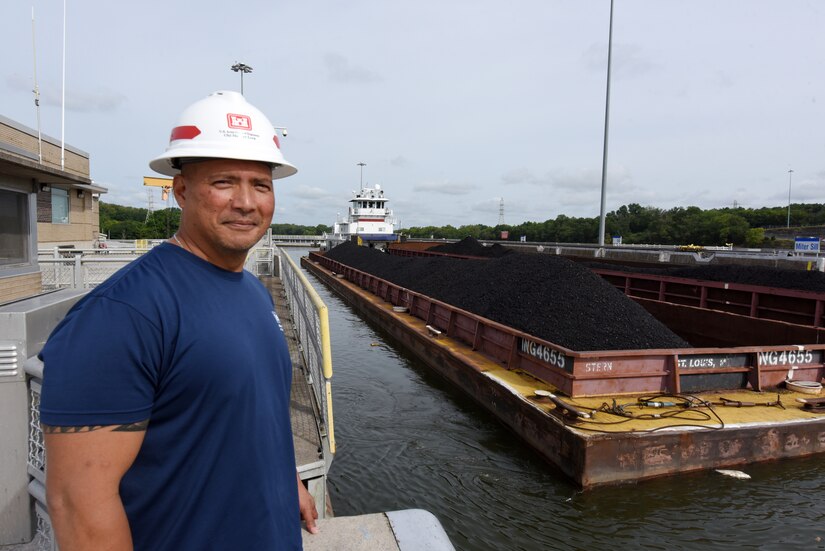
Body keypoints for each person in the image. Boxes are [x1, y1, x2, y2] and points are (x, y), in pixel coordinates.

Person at [39, 90, 318, 550]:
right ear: (182, 190)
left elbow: (244, 412)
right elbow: (78, 504)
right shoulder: (122, 315)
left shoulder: (251, 292)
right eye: (225, 182)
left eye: (261, 184)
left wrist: (284, 480)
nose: (247, 202)